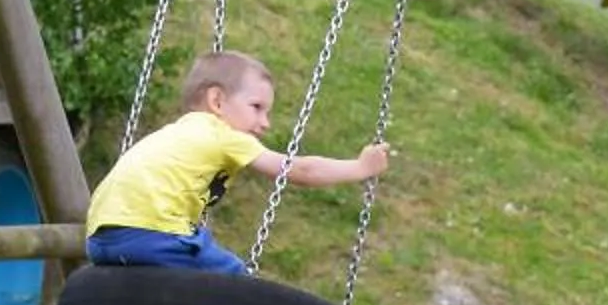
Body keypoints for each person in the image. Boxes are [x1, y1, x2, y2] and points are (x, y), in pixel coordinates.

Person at [85, 49, 389, 272]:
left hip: (101, 239)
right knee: (236, 285)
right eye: (257, 107)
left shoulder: (174, 133)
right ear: (217, 101)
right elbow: (301, 170)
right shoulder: (221, 134)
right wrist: (360, 168)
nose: (265, 123)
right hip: (153, 234)